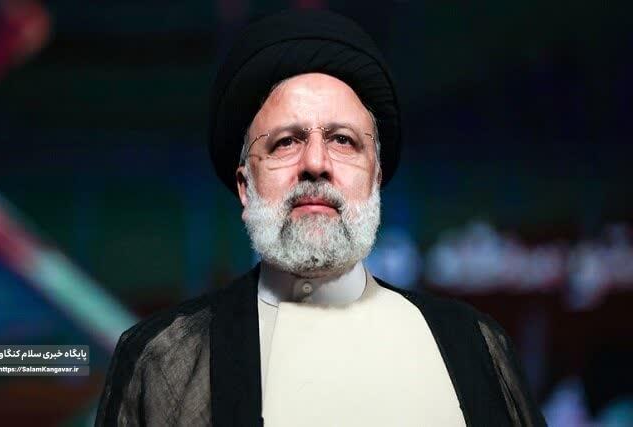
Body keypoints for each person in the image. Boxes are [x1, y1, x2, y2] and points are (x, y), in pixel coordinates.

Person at [95, 9, 545, 427]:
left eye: (343, 140)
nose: (315, 162)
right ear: (246, 186)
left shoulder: (475, 346)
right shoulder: (164, 360)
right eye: (286, 142)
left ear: (375, 177)